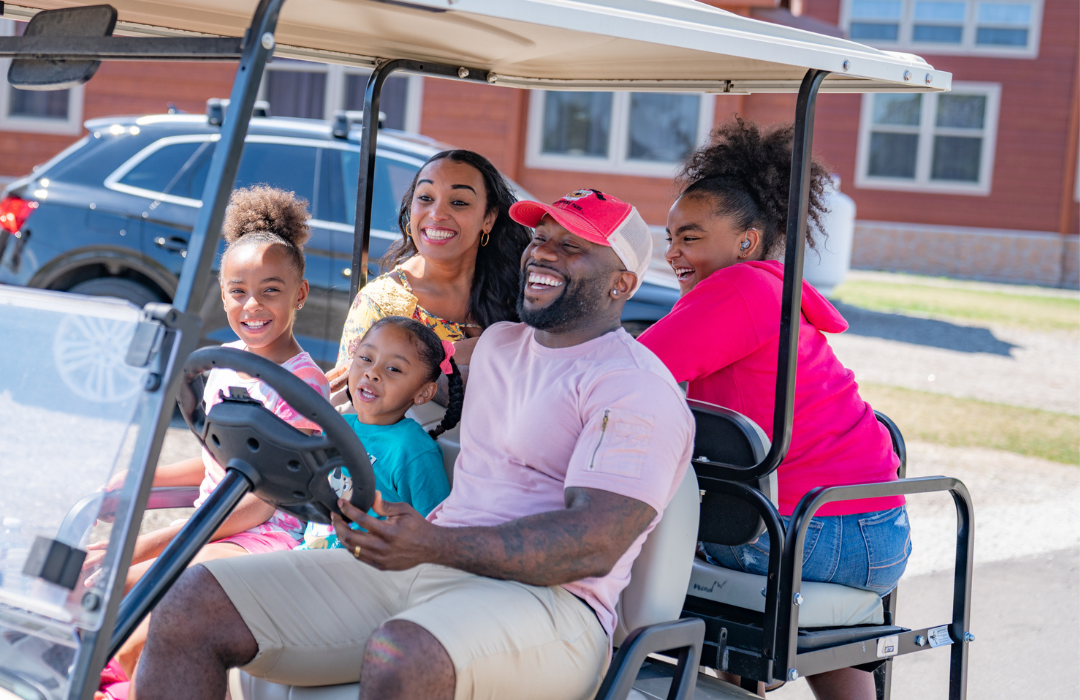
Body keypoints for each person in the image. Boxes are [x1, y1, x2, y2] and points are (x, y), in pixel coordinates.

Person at [133, 189, 694, 700]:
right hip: (431, 569)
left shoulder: (636, 390)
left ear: (621, 283)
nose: (542, 253)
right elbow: (415, 371)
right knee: (190, 601)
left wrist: (432, 543)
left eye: (571, 247)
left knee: (403, 655)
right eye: (540, 238)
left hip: (554, 606)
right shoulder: (500, 343)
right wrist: (340, 391)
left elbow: (591, 544)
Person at [637, 119, 911, 700]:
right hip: (859, 528)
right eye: (669, 237)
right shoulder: (761, 289)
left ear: (746, 239)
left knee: (635, 527)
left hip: (819, 528)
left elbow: (627, 375)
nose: (673, 252)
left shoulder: (741, 290)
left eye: (690, 236)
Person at [92, 186, 331, 699]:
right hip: (215, 526)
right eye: (238, 290)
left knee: (149, 587)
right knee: (103, 594)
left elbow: (259, 504)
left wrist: (151, 544)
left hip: (270, 536)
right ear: (221, 293)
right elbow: (215, 461)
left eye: (271, 289)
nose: (253, 305)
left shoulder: (304, 385)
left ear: (301, 294)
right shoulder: (223, 359)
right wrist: (136, 481)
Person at [328, 149, 530, 394]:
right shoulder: (381, 303)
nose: (437, 214)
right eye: (425, 198)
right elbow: (351, 404)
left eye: (458, 202)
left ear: (489, 218)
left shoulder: (518, 290)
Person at [300, 316, 456, 550]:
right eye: (365, 358)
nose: (372, 372)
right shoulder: (338, 427)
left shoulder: (412, 449)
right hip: (309, 555)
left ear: (424, 392)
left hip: (365, 570)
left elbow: (435, 535)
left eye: (393, 368)